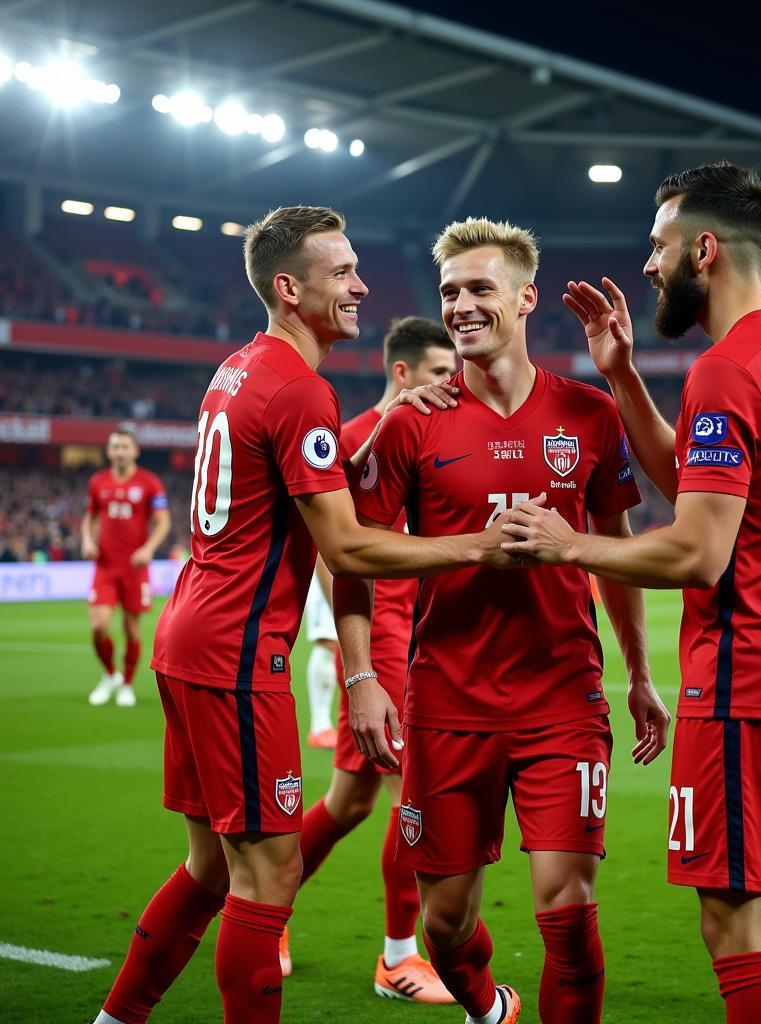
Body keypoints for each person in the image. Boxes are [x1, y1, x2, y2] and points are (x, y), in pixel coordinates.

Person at [92, 205, 517, 1024]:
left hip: (190, 633)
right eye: (343, 274)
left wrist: (385, 423)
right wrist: (477, 547)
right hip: (237, 653)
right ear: (290, 289)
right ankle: (397, 960)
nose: (362, 286)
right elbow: (350, 548)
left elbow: (286, 488)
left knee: (211, 870)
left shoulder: (242, 368)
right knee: (268, 880)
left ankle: (114, 1020)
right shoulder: (300, 389)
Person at [503, 163, 761, 1024]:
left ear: (706, 247)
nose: (650, 265)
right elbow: (706, 491)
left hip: (746, 681)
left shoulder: (727, 369)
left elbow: (698, 553)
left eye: (659, 246)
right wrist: (622, 376)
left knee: (738, 930)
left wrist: (568, 543)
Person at [333, 216, 670, 1024]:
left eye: (480, 289)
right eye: (450, 292)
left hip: (563, 697)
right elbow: (352, 556)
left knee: (568, 911)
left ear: (526, 298)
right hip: (447, 703)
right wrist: (362, 676)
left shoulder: (589, 413)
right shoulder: (412, 421)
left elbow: (613, 551)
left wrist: (641, 677)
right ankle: (487, 1007)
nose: (461, 306)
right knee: (444, 928)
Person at [282, 316, 458, 1004]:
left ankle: (268, 911)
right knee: (413, 798)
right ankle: (397, 958)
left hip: (425, 638)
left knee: (349, 801)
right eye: (441, 373)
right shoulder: (353, 438)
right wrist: (363, 668)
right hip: (383, 640)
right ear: (403, 373)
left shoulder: (438, 434)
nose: (455, 384)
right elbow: (334, 551)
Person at [82, 428, 171, 708]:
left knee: (132, 629)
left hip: (135, 566)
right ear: (109, 451)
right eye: (115, 447)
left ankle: (127, 684)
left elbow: (163, 521)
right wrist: (87, 539)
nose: (119, 451)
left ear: (135, 451)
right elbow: (90, 516)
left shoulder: (149, 482)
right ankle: (110, 674)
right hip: (105, 566)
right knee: (98, 626)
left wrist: (148, 549)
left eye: (124, 446)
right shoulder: (98, 482)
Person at [302, 574, 341, 748]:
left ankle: (325, 726)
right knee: (328, 641)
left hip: (349, 566)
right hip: (326, 570)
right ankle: (320, 726)